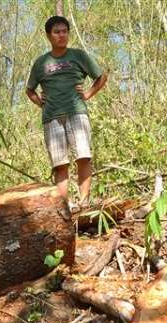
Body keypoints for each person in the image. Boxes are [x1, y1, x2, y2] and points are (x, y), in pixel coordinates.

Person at [25, 16, 107, 208]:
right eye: (56, 32)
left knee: (83, 157)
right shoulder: (41, 62)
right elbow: (29, 89)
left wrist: (87, 94)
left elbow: (101, 77)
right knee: (60, 163)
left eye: (64, 31)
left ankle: (84, 202)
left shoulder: (78, 56)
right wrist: (39, 102)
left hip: (77, 112)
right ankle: (64, 206)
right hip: (51, 118)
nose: (61, 35)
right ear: (48, 36)